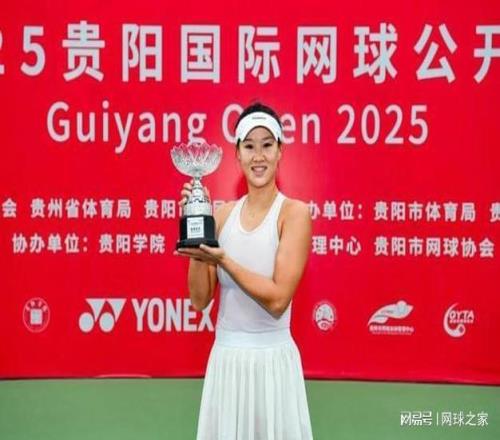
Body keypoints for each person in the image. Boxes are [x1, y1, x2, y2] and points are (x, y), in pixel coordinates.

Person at [174, 102, 314, 440]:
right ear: (237, 155)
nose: (258, 156)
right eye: (249, 146)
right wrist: (198, 231)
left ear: (280, 151)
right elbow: (199, 300)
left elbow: (278, 300)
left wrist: (224, 260)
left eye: (267, 145)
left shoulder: (294, 214)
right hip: (227, 361)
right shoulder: (222, 215)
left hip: (273, 363)